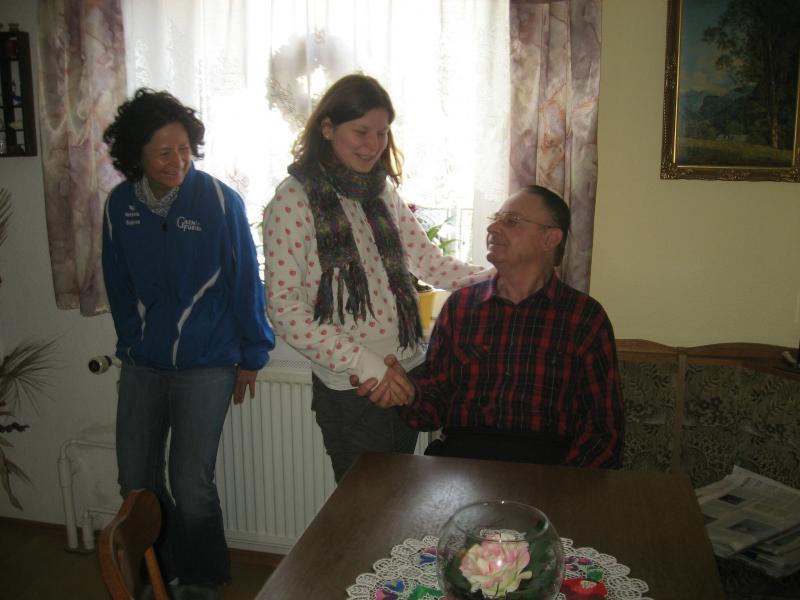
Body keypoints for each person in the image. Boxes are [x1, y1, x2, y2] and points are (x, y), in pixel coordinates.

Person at [262, 74, 493, 482]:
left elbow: (429, 263)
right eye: (361, 131)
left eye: (382, 133)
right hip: (355, 386)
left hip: (408, 372)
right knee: (364, 506)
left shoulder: (382, 192)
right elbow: (284, 310)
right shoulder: (293, 200)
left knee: (400, 496)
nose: (373, 144)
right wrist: (368, 366)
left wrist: (496, 276)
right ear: (327, 128)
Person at [102, 88, 275, 597]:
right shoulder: (120, 206)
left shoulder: (219, 201)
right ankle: (158, 572)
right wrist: (131, 344)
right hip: (144, 365)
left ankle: (203, 580)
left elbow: (246, 283)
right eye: (162, 152)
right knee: (136, 481)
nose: (177, 160)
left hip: (207, 363)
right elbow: (117, 283)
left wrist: (253, 355)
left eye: (184, 149)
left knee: (190, 484)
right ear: (136, 154)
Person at [352, 185, 624, 468]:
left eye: (511, 220)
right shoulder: (460, 307)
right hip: (462, 462)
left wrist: (566, 484)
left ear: (550, 239)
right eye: (496, 218)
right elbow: (432, 410)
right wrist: (408, 393)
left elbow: (604, 431)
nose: (493, 227)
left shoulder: (584, 318)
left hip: (546, 467)